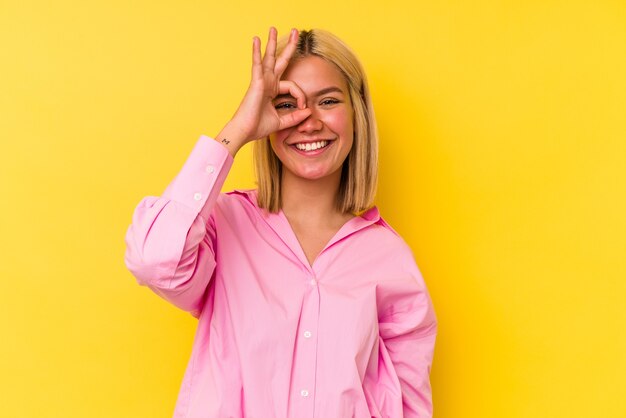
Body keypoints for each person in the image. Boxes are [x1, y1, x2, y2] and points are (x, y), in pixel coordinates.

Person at [124, 26, 437, 418]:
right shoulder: (221, 225)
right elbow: (154, 261)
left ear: (356, 113)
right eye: (288, 104)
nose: (308, 121)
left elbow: (408, 408)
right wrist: (237, 130)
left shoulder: (388, 258)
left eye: (327, 101)